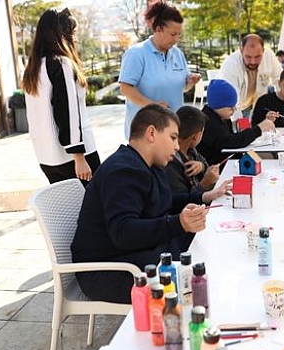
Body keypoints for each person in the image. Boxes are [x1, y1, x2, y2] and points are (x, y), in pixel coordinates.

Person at [71, 104, 209, 304]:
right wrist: (178, 223)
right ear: (151, 133)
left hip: (133, 255)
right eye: (172, 137)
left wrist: (202, 198)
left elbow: (166, 202)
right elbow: (123, 232)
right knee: (192, 273)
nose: (177, 146)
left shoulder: (150, 164)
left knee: (199, 249)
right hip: (106, 270)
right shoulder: (123, 170)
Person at [21, 8, 100, 185]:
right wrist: (78, 156)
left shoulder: (32, 69)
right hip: (75, 156)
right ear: (62, 34)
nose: (75, 38)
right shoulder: (61, 64)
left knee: (69, 210)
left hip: (46, 156)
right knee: (97, 206)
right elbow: (67, 110)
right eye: (72, 32)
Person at [119, 2, 201, 139]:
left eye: (179, 34)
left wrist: (190, 82)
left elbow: (183, 88)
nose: (176, 39)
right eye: (173, 34)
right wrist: (154, 106)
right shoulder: (136, 54)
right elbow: (125, 88)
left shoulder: (178, 54)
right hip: (144, 134)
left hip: (172, 132)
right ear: (158, 29)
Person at [196, 79, 275, 165]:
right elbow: (231, 142)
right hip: (214, 167)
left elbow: (232, 138)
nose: (234, 109)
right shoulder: (208, 122)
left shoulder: (222, 117)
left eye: (234, 105)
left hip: (226, 162)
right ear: (217, 106)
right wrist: (259, 129)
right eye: (230, 107)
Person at [165, 105, 231, 203]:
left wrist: (202, 167)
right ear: (197, 136)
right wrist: (205, 184)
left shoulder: (191, 151)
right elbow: (181, 203)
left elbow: (204, 162)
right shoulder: (170, 162)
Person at [219, 33, 282, 118]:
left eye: (257, 57)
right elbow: (233, 99)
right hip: (231, 109)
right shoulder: (231, 64)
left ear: (263, 51)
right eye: (248, 57)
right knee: (240, 128)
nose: (253, 62)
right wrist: (242, 125)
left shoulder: (269, 56)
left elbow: (280, 80)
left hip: (255, 105)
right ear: (241, 51)